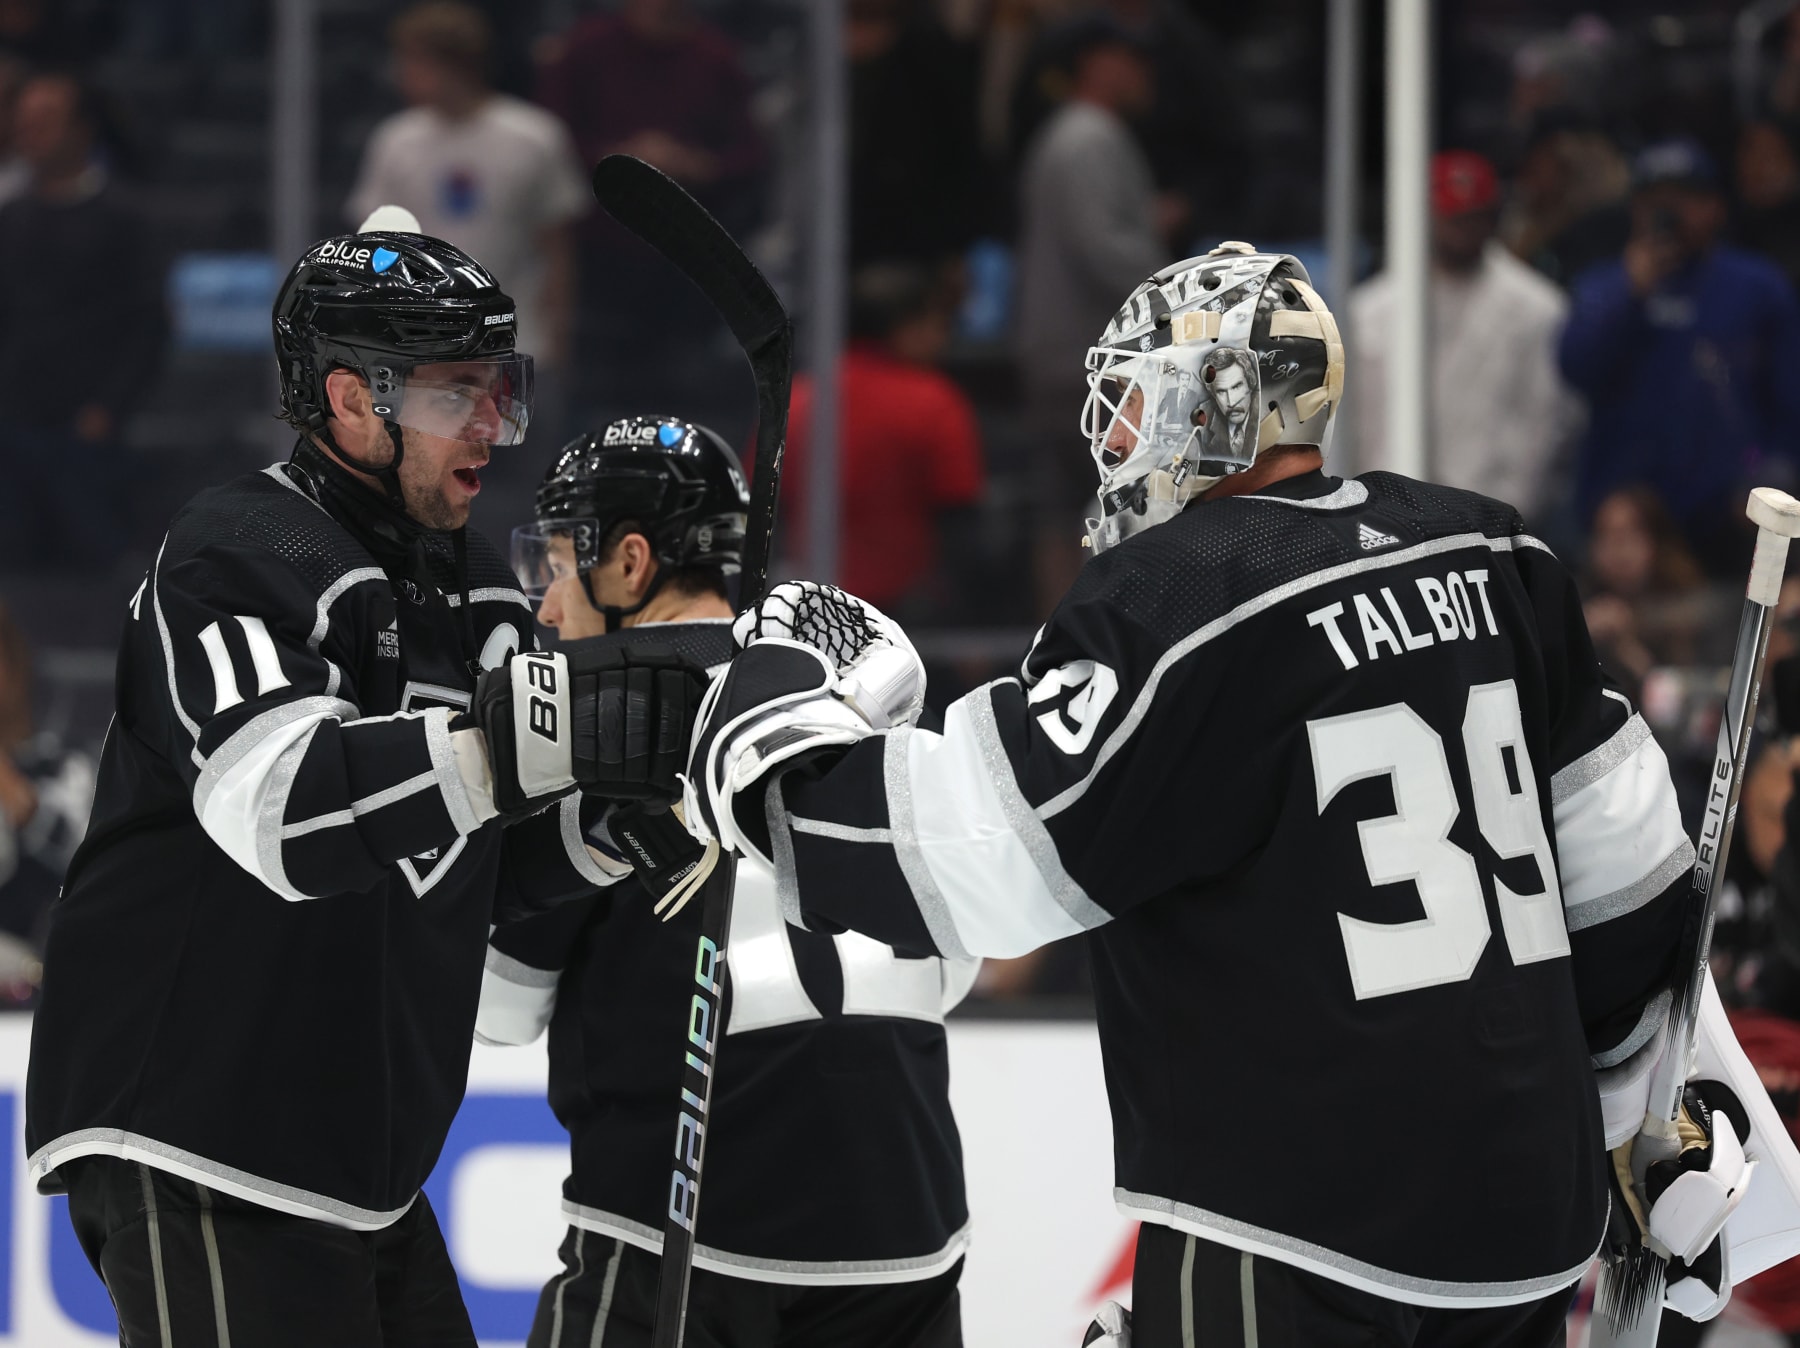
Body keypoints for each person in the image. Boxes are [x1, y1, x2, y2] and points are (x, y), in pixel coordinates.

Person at [619, 242, 1754, 1342]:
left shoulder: (1183, 595)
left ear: (1211, 399)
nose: (1112, 446)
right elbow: (1627, 861)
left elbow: (996, 856)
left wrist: (779, 770)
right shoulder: (1502, 554)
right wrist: (1641, 1103)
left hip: (1296, 1228)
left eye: (1128, 405)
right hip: (1522, 1222)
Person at [23, 220, 643, 1346]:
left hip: (358, 1169)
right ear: (354, 400)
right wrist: (513, 748)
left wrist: (630, 812)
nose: (496, 427)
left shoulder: (476, 600)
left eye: (501, 387)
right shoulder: (242, 549)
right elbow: (287, 814)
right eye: (460, 395)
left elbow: (482, 862)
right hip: (200, 1131)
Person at [485, 416, 973, 1347]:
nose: (544, 606)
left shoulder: (587, 715)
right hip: (907, 1222)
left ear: (630, 562)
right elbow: (950, 968)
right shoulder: (862, 691)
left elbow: (498, 1008)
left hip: (681, 1234)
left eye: (551, 564)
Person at [1559, 137, 1800, 572]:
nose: (1669, 213)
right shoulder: (1605, 286)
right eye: (1655, 201)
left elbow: (1789, 398)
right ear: (1635, 210)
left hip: (1725, 515)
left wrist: (1771, 472)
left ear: (1715, 207)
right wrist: (1629, 292)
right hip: (1626, 519)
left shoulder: (1756, 287)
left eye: (1684, 199)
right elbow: (1574, 367)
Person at [536, 0, 765, 432]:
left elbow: (749, 155)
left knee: (682, 390)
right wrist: (615, 157)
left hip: (688, 256)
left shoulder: (715, 57)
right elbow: (547, 140)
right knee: (600, 395)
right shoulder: (585, 51)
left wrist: (700, 164)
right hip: (601, 250)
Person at [347, 2, 589, 393]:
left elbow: (557, 249)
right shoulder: (394, 142)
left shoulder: (535, 137)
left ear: (454, 63)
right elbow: (375, 253)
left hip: (516, 348)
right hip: (420, 354)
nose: (401, 74)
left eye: (413, 60)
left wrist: (558, 338)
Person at [1015, 16, 1167, 610]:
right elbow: (1103, 247)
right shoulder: (1087, 137)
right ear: (1098, 64)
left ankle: (1066, 639)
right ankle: (1084, 636)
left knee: (1069, 506)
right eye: (1132, 59)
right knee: (1101, 502)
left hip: (1073, 352)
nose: (1144, 74)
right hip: (1090, 359)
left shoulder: (1079, 134)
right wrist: (1178, 286)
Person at [1349, 150, 1580, 527]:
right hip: (1387, 515)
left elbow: (1547, 422)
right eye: (1453, 217)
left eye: (1475, 216)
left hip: (1491, 514)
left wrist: (1513, 510)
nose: (1464, 228)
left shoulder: (1538, 309)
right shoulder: (1369, 311)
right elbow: (1353, 422)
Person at [0, 71, 165, 573]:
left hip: (90, 428)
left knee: (92, 561)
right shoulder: (10, 219)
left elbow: (148, 325)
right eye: (24, 122)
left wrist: (109, 407)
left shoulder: (125, 219)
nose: (31, 135)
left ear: (82, 129)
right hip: (13, 420)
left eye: (46, 122)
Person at [781, 263, 986, 621]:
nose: (943, 337)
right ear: (907, 328)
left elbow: (766, 501)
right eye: (937, 323)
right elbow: (959, 519)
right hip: (907, 618)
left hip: (806, 609)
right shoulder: (934, 401)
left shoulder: (800, 397)